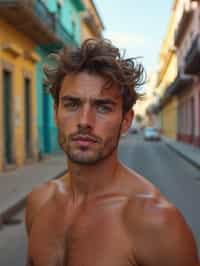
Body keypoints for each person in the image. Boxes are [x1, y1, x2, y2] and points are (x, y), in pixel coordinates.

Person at [25, 39, 199, 266]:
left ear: (126, 121)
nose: (85, 122)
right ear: (56, 112)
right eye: (72, 104)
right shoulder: (39, 202)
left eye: (103, 107)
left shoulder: (157, 223)